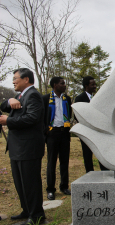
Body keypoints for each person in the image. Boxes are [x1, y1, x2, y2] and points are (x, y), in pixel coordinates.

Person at [0, 68, 46, 225]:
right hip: (17, 149)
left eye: (15, 78)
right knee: (20, 183)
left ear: (26, 79)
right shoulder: (20, 95)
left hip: (28, 148)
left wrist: (8, 121)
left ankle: (37, 216)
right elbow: (3, 106)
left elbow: (32, 118)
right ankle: (27, 210)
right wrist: (9, 101)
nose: (13, 81)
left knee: (30, 183)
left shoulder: (33, 95)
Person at [43, 77, 72, 200]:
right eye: (62, 83)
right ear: (55, 85)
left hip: (64, 132)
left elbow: (70, 114)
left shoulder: (67, 99)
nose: (64, 85)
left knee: (64, 161)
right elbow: (42, 116)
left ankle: (64, 186)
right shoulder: (45, 99)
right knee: (52, 162)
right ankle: (50, 189)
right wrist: (46, 132)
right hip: (52, 133)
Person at [75, 76, 108, 172]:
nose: (95, 86)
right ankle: (89, 175)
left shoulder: (98, 98)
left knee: (102, 155)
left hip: (98, 133)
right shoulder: (79, 98)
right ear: (86, 86)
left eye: (95, 84)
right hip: (87, 133)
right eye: (92, 84)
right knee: (87, 156)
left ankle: (104, 174)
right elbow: (77, 116)